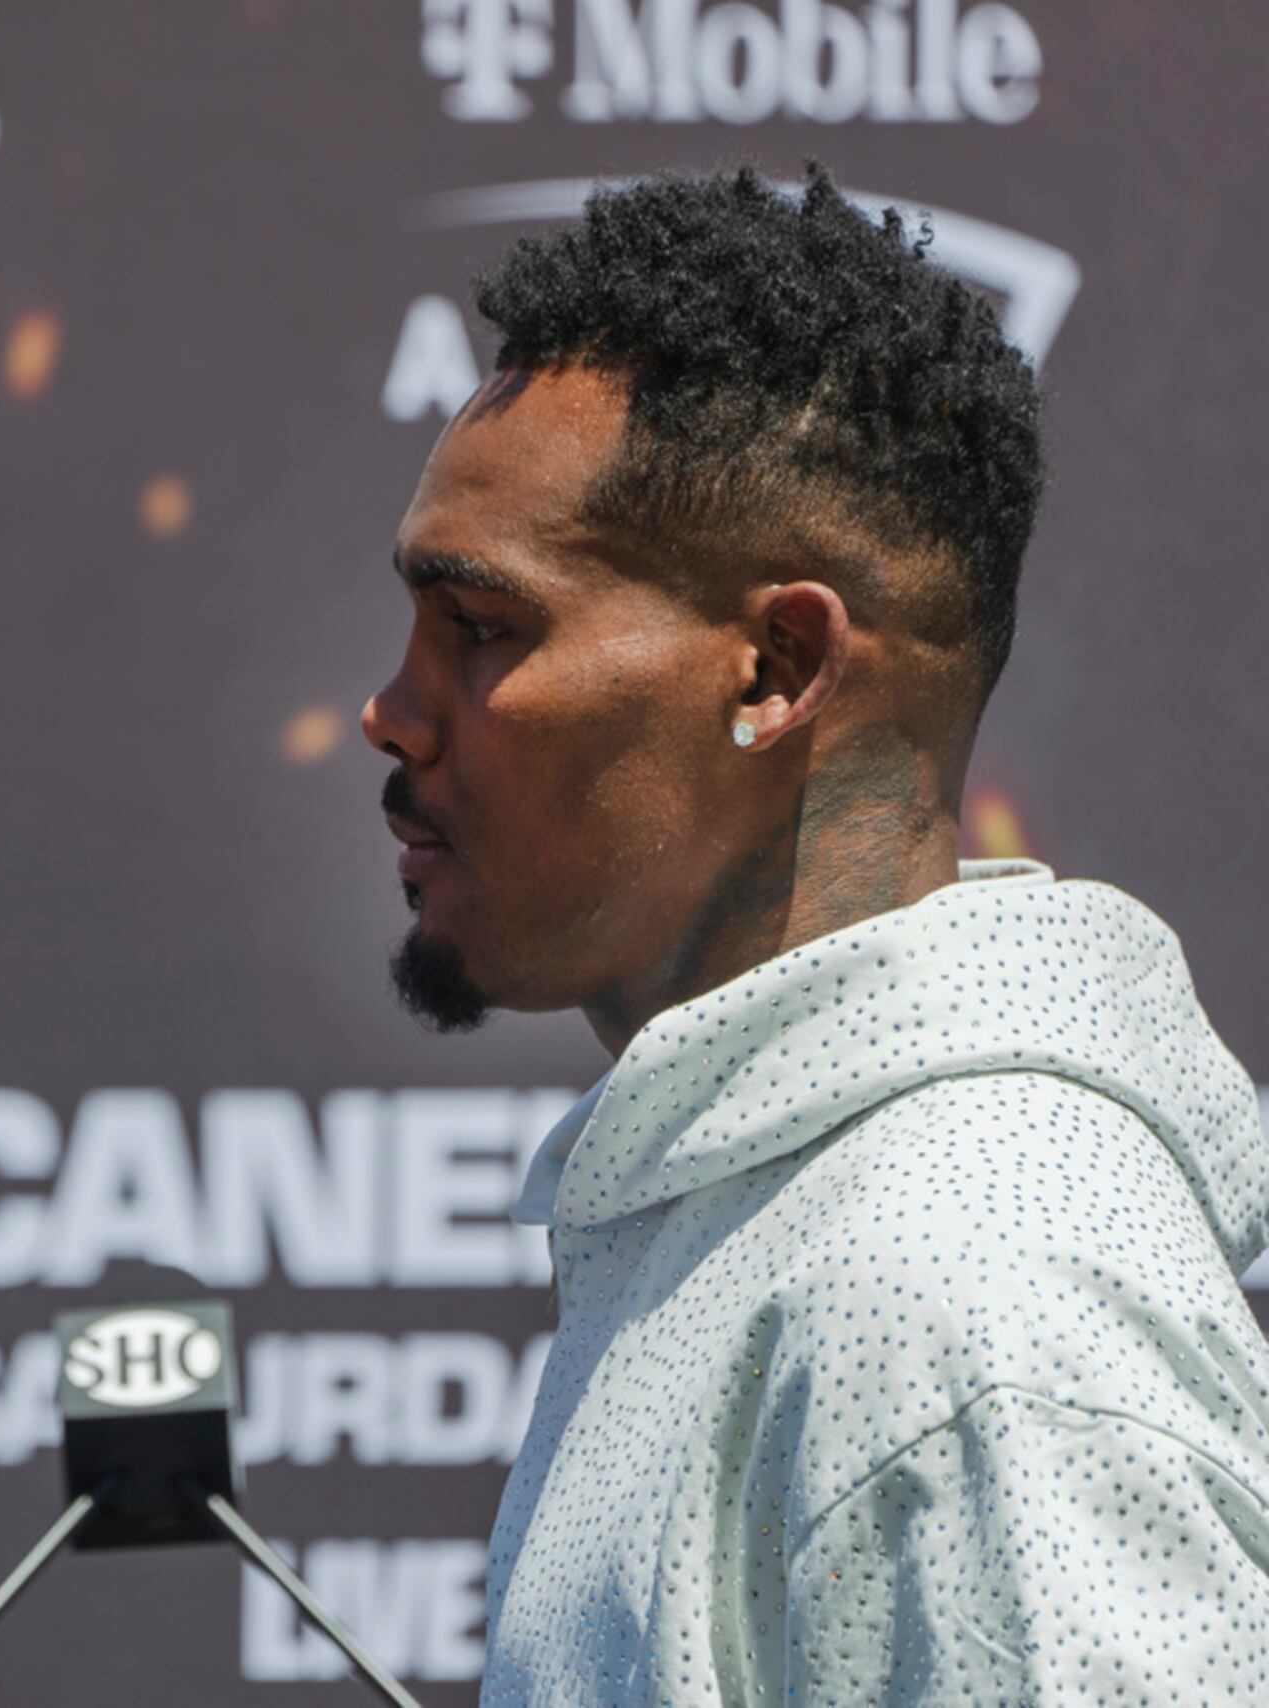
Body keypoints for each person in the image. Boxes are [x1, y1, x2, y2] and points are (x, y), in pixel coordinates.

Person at [360, 167, 1269, 1702]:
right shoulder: (793, 1209)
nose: (390, 712)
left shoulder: (966, 1282)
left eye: (482, 628)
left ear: (777, 669)